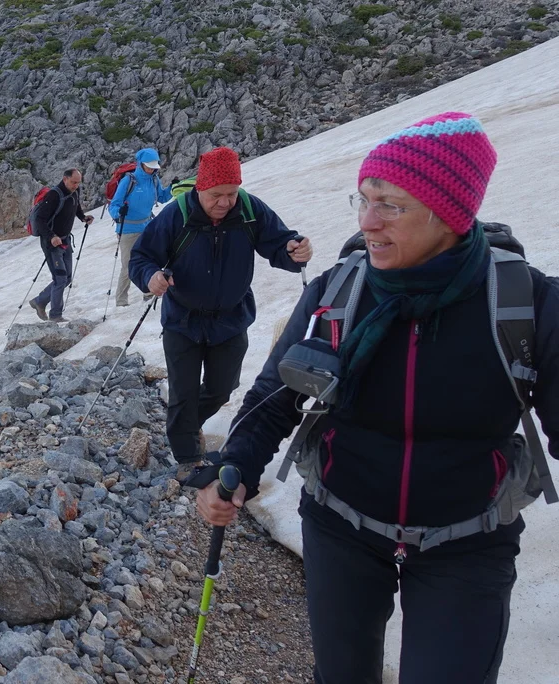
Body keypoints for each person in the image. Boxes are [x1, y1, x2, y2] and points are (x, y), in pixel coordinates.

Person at [195, 113, 553, 683]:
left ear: (450, 212)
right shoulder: (338, 292)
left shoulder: (524, 303)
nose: (368, 222)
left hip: (468, 543)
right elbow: (275, 396)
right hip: (341, 529)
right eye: (363, 200)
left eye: (391, 205)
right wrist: (232, 464)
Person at [129, 146, 311, 472]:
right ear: (201, 188)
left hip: (230, 319)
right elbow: (141, 258)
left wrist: (294, 250)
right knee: (184, 392)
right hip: (182, 320)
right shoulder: (176, 215)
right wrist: (150, 277)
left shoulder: (250, 210)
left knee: (222, 389)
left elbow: (280, 243)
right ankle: (187, 459)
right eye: (216, 195)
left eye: (231, 193)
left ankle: (182, 426)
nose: (225, 202)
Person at [108, 148, 173, 307]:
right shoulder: (129, 181)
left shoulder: (154, 179)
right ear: (141, 164)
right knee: (128, 265)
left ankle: (149, 292)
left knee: (150, 260)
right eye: (149, 165)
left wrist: (173, 187)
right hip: (128, 230)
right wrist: (118, 212)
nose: (152, 168)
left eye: (153, 166)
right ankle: (121, 302)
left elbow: (162, 197)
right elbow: (114, 205)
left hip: (147, 226)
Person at [29, 168, 93, 322]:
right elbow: (39, 220)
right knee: (60, 278)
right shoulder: (53, 195)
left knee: (67, 277)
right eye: (73, 182)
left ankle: (39, 301)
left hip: (65, 240)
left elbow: (75, 207)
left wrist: (83, 217)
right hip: (51, 243)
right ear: (65, 179)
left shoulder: (74, 192)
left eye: (78, 182)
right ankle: (55, 315)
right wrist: (51, 236)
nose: (76, 185)